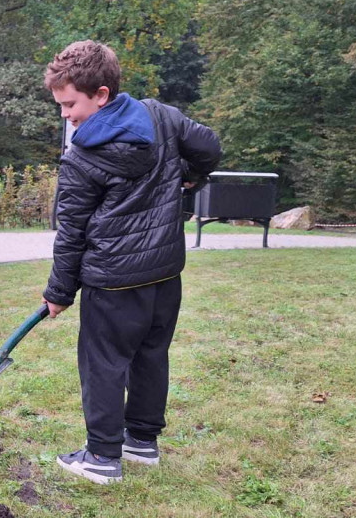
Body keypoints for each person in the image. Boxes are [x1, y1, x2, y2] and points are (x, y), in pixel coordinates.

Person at [41, 40, 221, 485]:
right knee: (150, 354)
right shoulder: (163, 117)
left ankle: (102, 456)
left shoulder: (81, 157)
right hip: (164, 272)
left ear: (100, 94)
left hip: (114, 280)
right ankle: (141, 441)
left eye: (70, 104)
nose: (65, 115)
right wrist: (188, 182)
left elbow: (72, 234)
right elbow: (210, 149)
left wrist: (59, 293)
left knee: (104, 361)